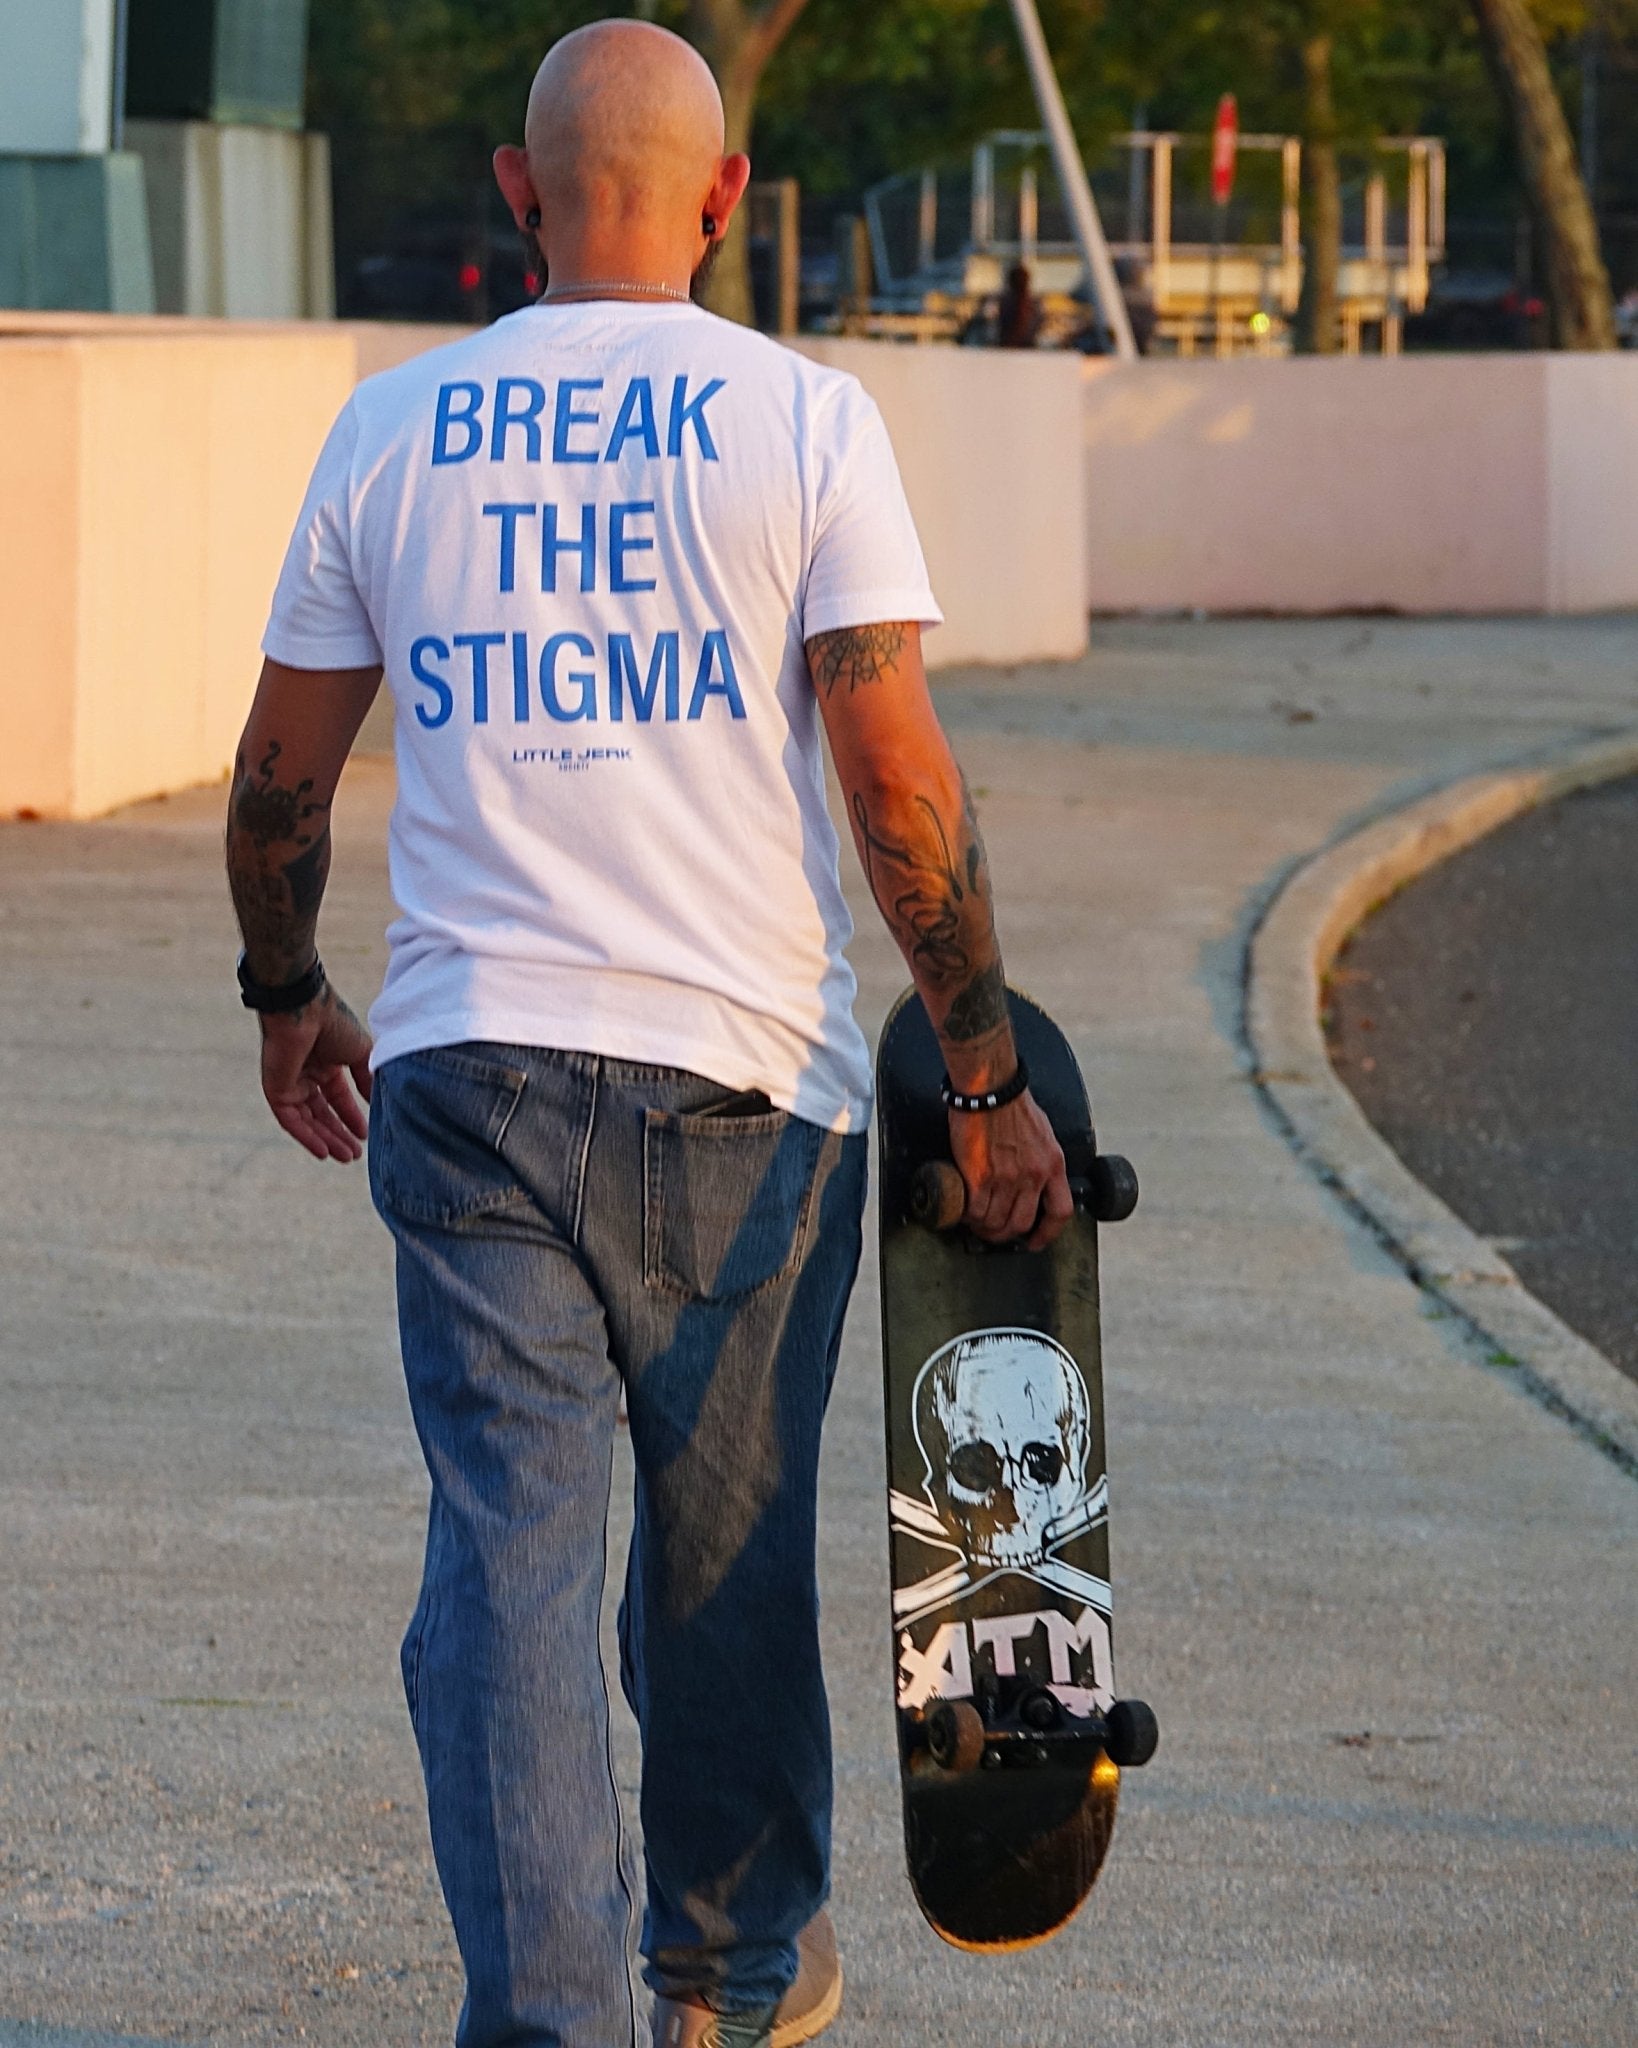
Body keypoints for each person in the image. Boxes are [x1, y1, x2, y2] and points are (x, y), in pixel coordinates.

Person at [224, 22, 1069, 2048]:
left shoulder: (392, 429)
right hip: (737, 1091)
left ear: (516, 196)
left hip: (465, 1074)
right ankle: (731, 1976)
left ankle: (553, 2019)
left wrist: (287, 992)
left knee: (508, 1570)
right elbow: (895, 791)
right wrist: (983, 1067)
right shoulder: (804, 421)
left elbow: (277, 779)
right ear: (726, 200)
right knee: (727, 1563)